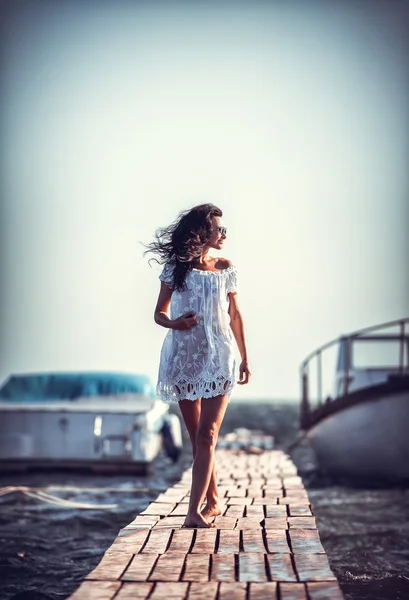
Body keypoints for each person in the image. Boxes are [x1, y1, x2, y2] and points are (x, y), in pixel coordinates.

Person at [146, 203, 251, 528]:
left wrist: (245, 357)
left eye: (224, 228)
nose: (224, 234)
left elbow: (234, 315)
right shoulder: (176, 268)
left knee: (207, 435)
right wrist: (176, 323)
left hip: (220, 357)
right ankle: (214, 499)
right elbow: (159, 314)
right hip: (184, 358)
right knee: (197, 438)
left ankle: (193, 513)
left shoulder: (226, 266)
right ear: (203, 232)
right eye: (219, 228)